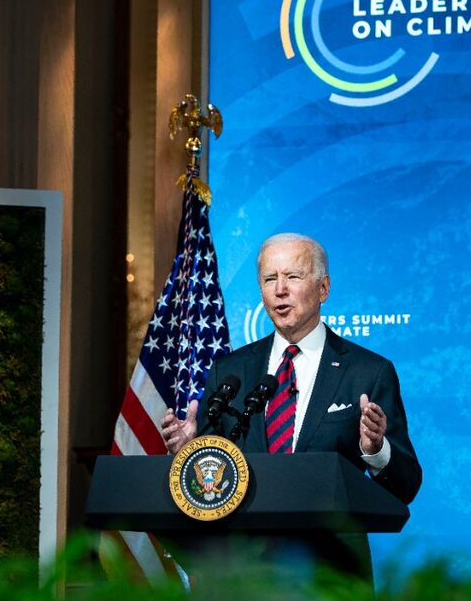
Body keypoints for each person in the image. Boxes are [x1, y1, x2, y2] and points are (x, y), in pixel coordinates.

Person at [159, 232, 421, 577]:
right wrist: (191, 450)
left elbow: (406, 485)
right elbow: (210, 482)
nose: (280, 289)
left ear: (323, 289)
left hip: (331, 576)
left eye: (293, 277)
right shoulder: (230, 370)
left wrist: (375, 450)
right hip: (244, 574)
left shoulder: (368, 372)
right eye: (270, 279)